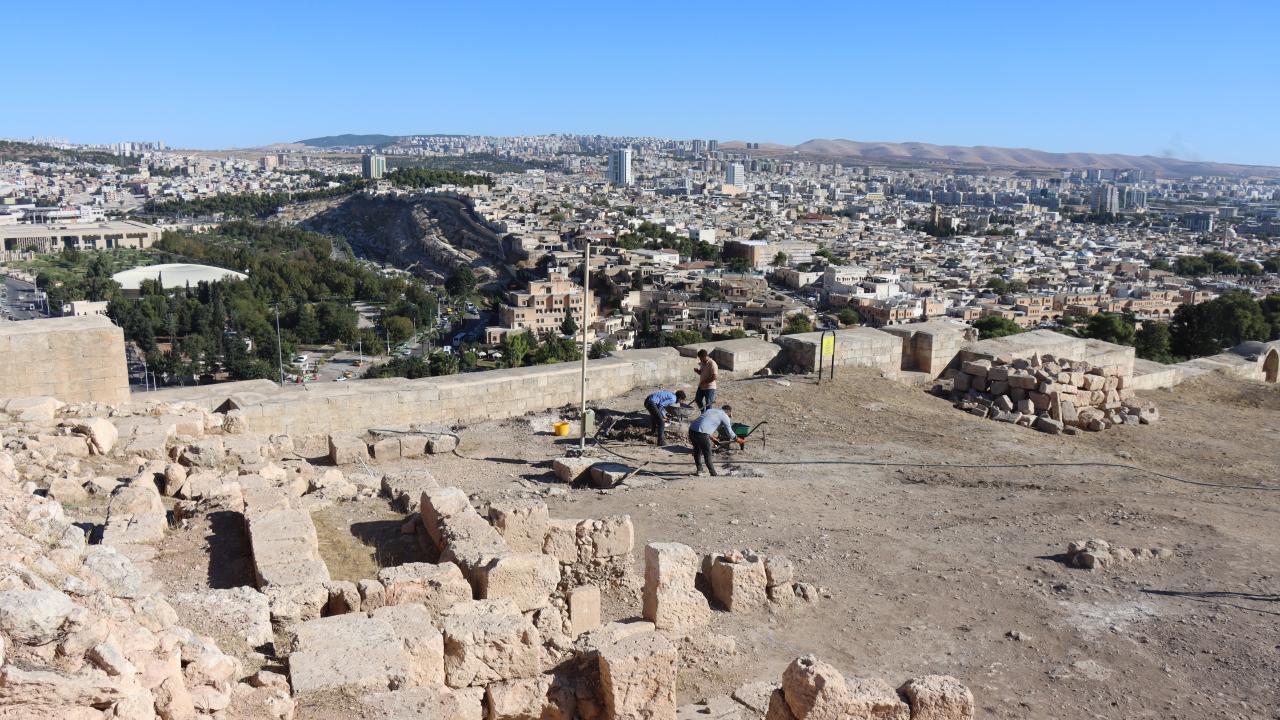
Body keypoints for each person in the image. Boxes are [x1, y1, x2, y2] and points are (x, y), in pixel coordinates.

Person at [688, 404, 741, 477]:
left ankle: (699, 470)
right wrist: (737, 439)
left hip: (692, 429)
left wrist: (712, 438)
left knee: (697, 449)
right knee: (707, 453)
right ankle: (713, 473)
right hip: (702, 433)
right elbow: (729, 432)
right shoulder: (725, 416)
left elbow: (704, 423)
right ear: (729, 412)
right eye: (730, 414)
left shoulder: (710, 410)